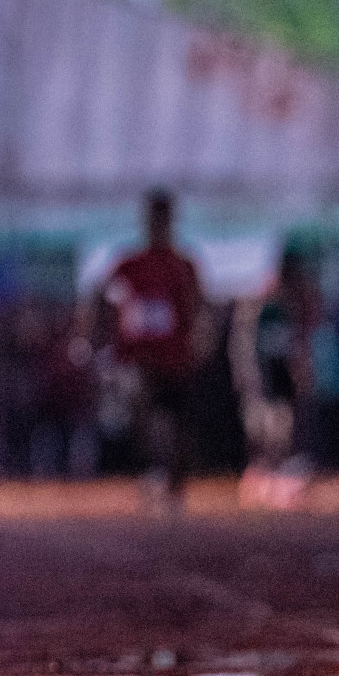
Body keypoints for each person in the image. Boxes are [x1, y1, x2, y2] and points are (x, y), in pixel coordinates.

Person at [98, 189, 205, 507]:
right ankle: (154, 473)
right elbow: (102, 295)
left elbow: (198, 306)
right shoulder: (130, 264)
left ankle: (173, 482)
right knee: (145, 417)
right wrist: (106, 333)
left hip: (175, 356)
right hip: (139, 357)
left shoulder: (183, 265)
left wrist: (199, 339)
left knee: (174, 422)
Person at [230, 249, 326, 509]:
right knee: (263, 429)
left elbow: (301, 341)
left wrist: (301, 369)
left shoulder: (294, 304)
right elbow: (244, 341)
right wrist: (246, 372)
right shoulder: (260, 303)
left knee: (284, 427)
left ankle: (280, 477)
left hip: (282, 375)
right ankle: (260, 476)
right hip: (263, 374)